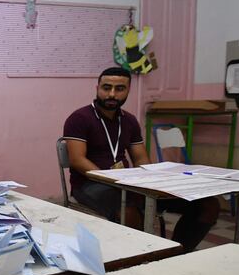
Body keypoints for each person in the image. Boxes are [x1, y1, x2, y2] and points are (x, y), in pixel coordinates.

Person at [63, 66, 219, 252]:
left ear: (128, 90)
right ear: (97, 88)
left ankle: (176, 254)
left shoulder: (129, 120)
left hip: (128, 183)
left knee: (207, 205)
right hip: (90, 184)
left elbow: (141, 159)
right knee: (129, 213)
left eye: (119, 89)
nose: (112, 94)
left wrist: (153, 181)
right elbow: (77, 160)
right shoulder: (79, 118)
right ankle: (139, 259)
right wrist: (112, 180)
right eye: (106, 88)